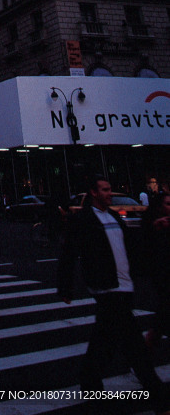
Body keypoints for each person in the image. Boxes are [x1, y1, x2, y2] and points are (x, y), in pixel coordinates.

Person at [58, 174, 170, 414]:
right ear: (94, 192)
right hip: (108, 288)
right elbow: (68, 253)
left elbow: (130, 246)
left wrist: (153, 227)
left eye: (110, 189)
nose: (110, 193)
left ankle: (90, 382)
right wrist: (65, 287)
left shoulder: (112, 217)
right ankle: (159, 397)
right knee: (134, 347)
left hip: (123, 286)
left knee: (105, 341)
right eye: (105, 190)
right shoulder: (85, 220)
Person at [142, 190, 170, 347]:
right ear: (159, 207)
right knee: (164, 314)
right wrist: (156, 229)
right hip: (163, 276)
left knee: (163, 317)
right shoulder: (153, 224)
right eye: (168, 204)